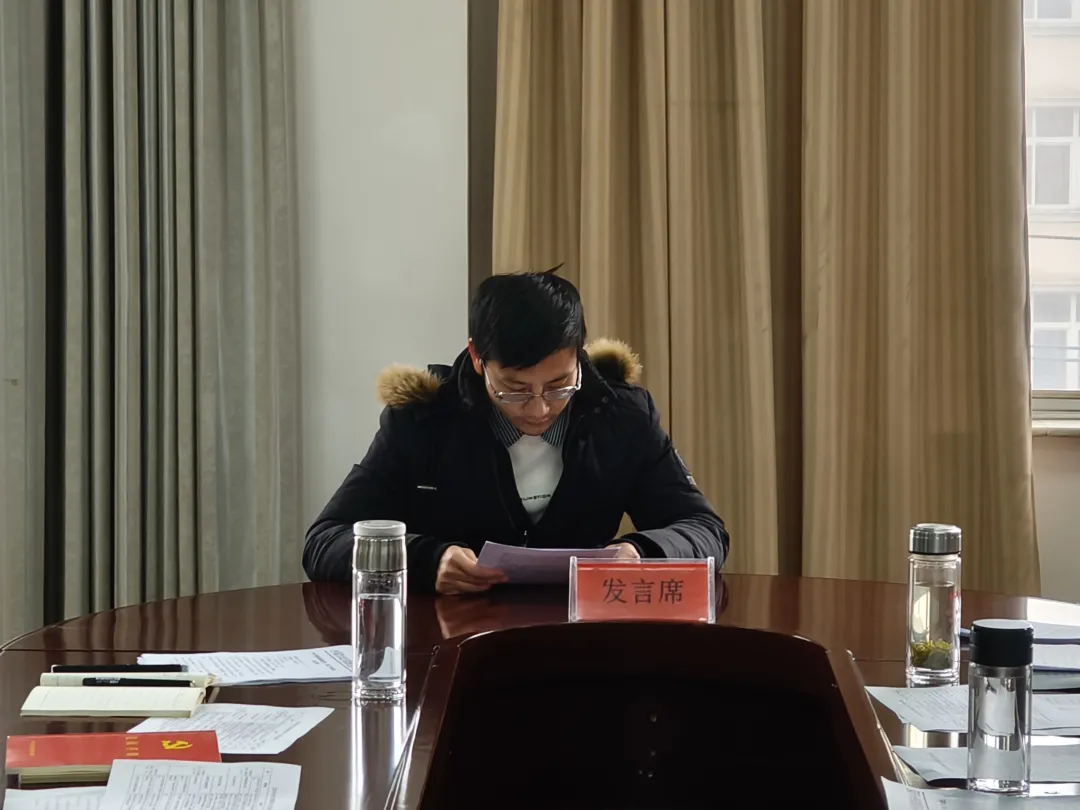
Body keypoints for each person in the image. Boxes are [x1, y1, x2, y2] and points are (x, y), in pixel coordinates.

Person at [303, 270, 729, 594]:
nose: (539, 409)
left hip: (582, 639)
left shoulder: (620, 416)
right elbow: (325, 541)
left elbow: (703, 529)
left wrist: (640, 552)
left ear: (578, 355)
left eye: (560, 385)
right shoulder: (423, 421)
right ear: (477, 358)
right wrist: (426, 560)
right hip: (450, 642)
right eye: (514, 389)